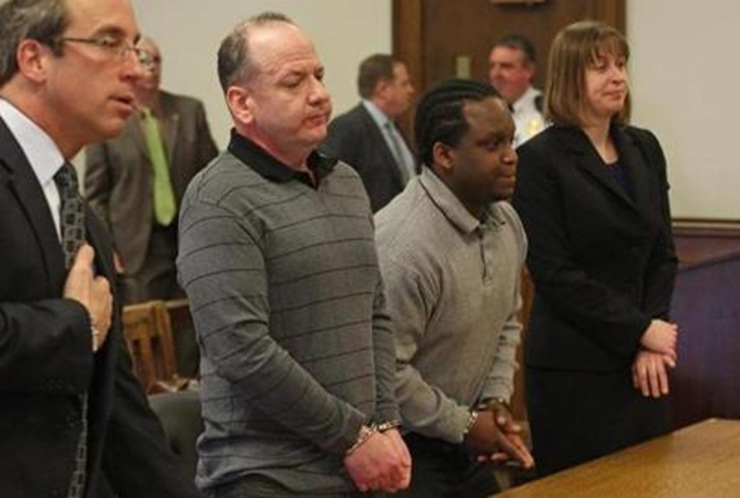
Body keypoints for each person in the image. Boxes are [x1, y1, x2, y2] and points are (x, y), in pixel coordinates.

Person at [176, 12, 411, 497]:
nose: (320, 94)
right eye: (293, 81)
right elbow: (243, 351)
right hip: (267, 474)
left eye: (319, 76)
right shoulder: (216, 199)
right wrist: (354, 436)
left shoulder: (345, 182)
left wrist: (385, 423)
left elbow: (375, 311)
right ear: (241, 103)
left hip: (360, 463)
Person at [0, 0, 200, 497]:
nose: (135, 69)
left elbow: (117, 406)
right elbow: (79, 331)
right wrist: (74, 325)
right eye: (110, 44)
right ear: (35, 59)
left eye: (134, 48)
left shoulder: (76, 206)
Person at [511, 20, 679, 477]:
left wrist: (651, 337)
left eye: (621, 64)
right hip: (575, 368)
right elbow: (554, 273)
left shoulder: (643, 147)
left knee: (650, 481)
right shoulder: (538, 160)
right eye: (600, 67)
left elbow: (663, 253)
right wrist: (640, 328)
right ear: (569, 77)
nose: (617, 76)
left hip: (646, 364)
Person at [375, 78, 534, 497]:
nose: (510, 157)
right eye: (492, 145)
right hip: (401, 448)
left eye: (511, 141)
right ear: (444, 155)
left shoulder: (506, 223)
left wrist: (493, 403)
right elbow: (385, 373)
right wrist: (463, 425)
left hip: (463, 439)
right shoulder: (402, 245)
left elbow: (508, 321)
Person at [85, 36, 218, 304]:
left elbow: (213, 178)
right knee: (148, 334)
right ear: (128, 64)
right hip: (136, 248)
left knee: (193, 327)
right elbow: (96, 196)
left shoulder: (189, 111)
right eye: (144, 59)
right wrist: (106, 247)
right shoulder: (107, 119)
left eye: (157, 60)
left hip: (188, 238)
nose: (152, 68)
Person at [321, 54, 416, 212]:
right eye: (404, 84)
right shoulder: (346, 128)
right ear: (383, 89)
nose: (411, 90)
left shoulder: (395, 126)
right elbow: (331, 186)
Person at [488, 34, 545, 146]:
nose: (496, 74)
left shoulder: (545, 111)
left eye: (506, 66)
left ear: (529, 70)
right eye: (492, 66)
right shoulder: (485, 112)